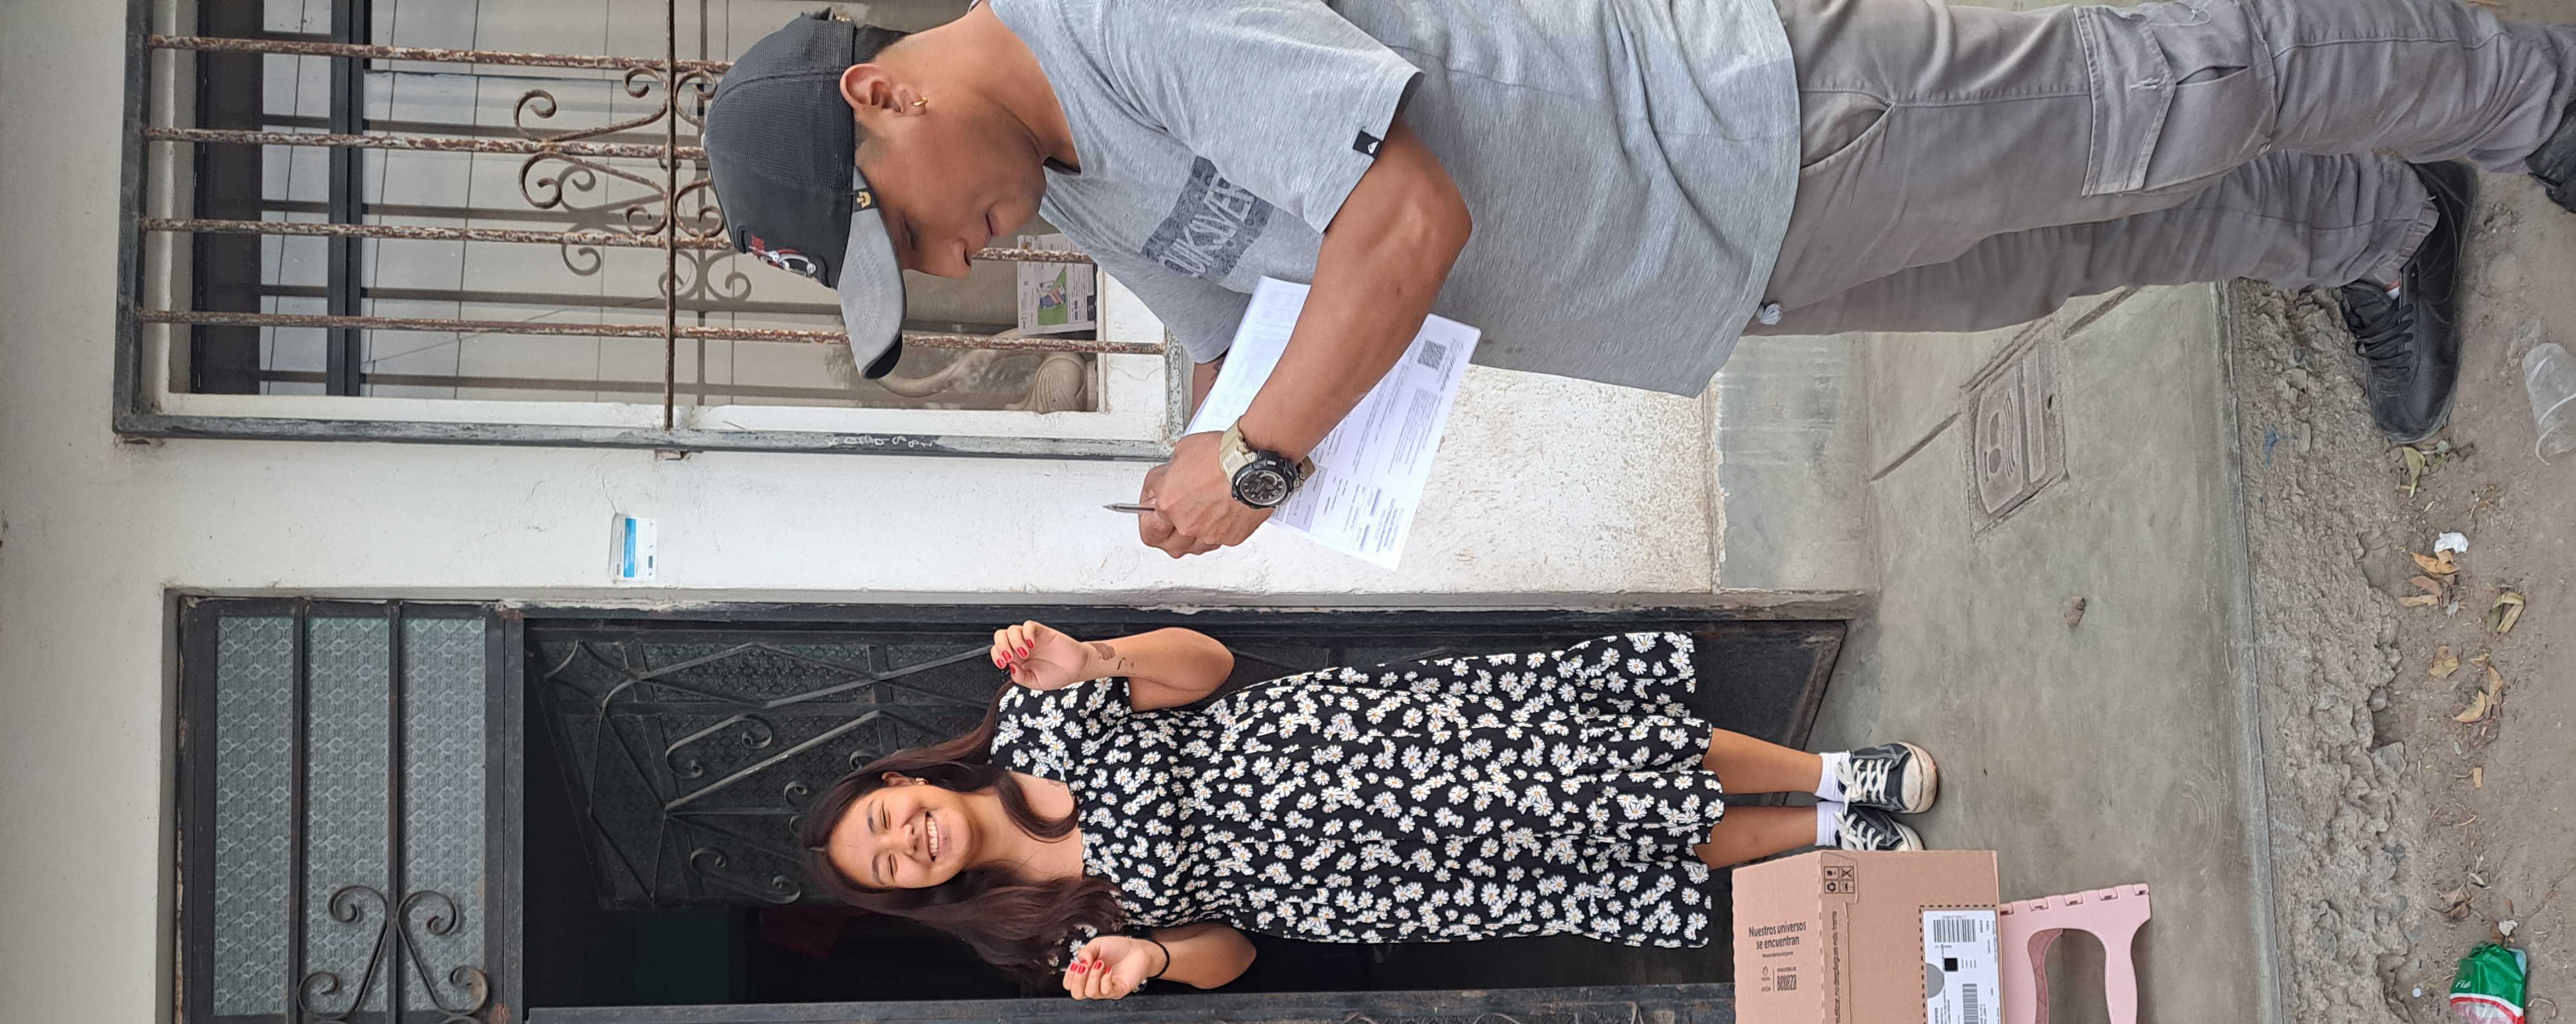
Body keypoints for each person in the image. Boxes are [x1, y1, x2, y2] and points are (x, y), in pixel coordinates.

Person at [702, 2, 2576, 556]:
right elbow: (1246, 323)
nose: (954, 261)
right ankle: (2380, 227)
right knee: (2083, 241)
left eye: (908, 230)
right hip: (1703, 271)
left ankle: (2526, 94)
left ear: (885, 95)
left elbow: (1399, 222)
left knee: (2157, 95)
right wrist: (1207, 451)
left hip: (1735, 127)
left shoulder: (1112, 24)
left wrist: (1261, 458)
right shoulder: (1076, 187)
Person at [795, 620, 1941, 996]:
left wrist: (1096, 656)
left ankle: (1835, 770)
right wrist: (1153, 957)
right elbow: (1233, 954)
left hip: (1352, 749)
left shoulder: (1035, 714)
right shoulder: (1040, 935)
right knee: (1590, 852)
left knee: (1596, 758)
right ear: (918, 894)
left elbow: (1206, 665)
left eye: (886, 822)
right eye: (890, 867)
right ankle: (1826, 832)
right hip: (1351, 886)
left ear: (903, 783)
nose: (907, 843)